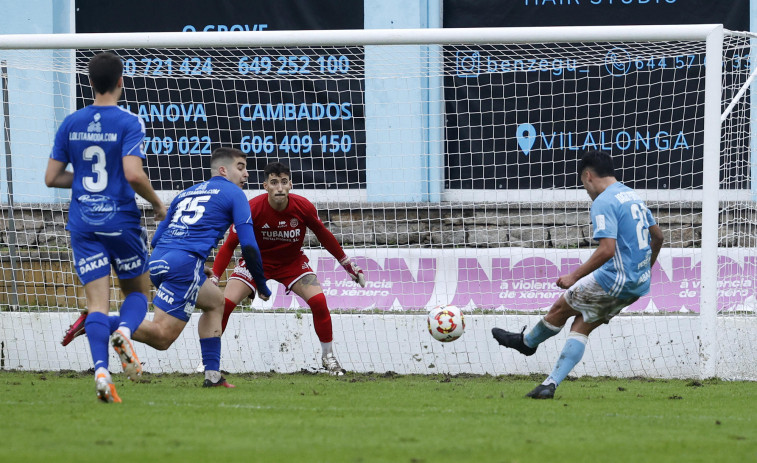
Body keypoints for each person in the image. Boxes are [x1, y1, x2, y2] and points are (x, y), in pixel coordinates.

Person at [45, 51, 167, 403]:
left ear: (89, 82)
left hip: (84, 223)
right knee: (138, 296)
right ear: (120, 81)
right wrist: (158, 204)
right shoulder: (129, 121)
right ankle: (125, 332)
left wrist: (83, 180)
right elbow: (132, 173)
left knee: (96, 304)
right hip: (120, 222)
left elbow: (52, 177)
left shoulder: (71, 122)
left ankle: (101, 372)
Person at [492, 150, 664, 399]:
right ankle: (549, 385)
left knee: (560, 308)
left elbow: (606, 250)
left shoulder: (604, 201)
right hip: (637, 285)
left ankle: (527, 343)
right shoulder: (632, 195)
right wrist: (647, 269)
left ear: (588, 175)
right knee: (582, 325)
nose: (586, 190)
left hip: (615, 279)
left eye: (584, 184)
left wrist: (573, 277)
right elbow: (658, 236)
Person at [209, 161, 366, 375]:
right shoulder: (251, 208)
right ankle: (209, 363)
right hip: (257, 263)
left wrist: (348, 264)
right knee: (223, 304)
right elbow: (229, 246)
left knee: (319, 302)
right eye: (274, 182)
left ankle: (328, 357)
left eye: (284, 182)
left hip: (292, 263)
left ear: (290, 184)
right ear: (265, 186)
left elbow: (324, 236)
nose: (279, 187)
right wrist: (214, 278)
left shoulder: (303, 207)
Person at [133, 146, 270, 388]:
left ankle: (213, 376)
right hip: (182, 266)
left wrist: (197, 267)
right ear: (223, 170)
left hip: (159, 261)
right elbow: (248, 246)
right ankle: (102, 321)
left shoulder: (185, 193)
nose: (246, 174)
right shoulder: (235, 194)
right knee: (162, 338)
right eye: (241, 167)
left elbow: (156, 240)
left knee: (215, 301)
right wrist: (260, 284)